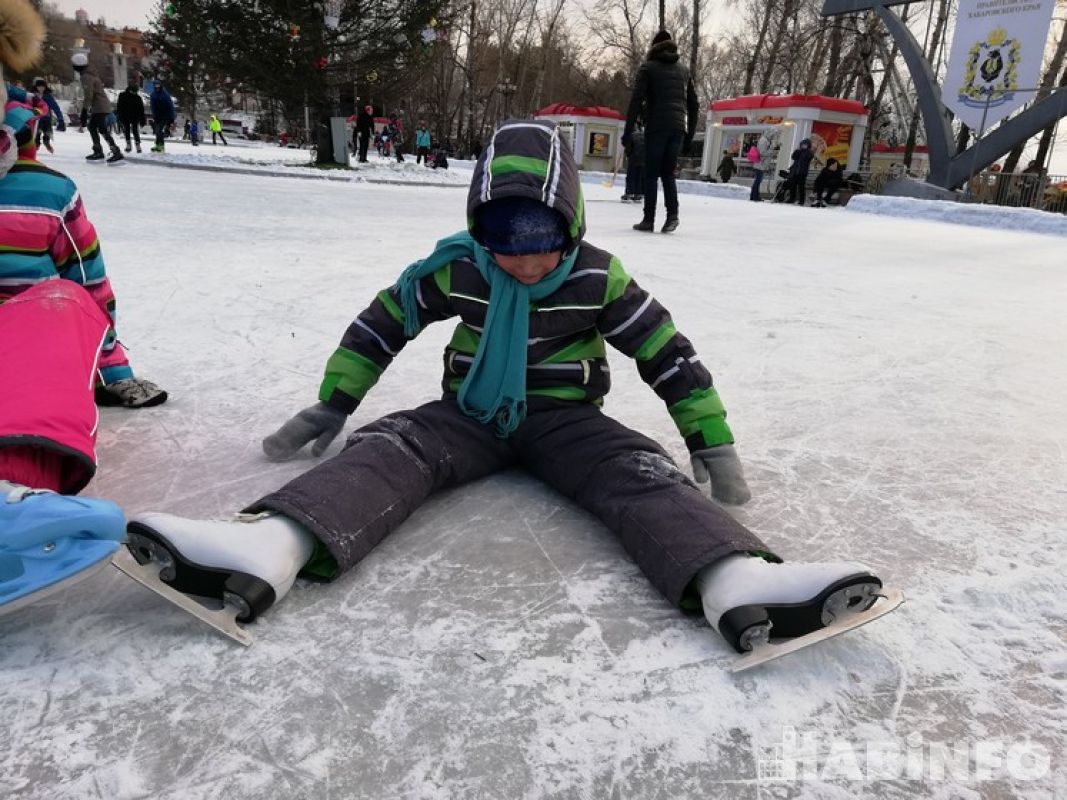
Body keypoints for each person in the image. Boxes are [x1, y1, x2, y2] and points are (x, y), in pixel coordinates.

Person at [124, 119, 884, 656]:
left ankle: (731, 577)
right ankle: (272, 546)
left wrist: (709, 440)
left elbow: (666, 352)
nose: (522, 265)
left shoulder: (596, 276)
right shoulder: (457, 267)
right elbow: (382, 322)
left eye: (542, 245)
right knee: (392, 446)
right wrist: (335, 401)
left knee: (636, 470)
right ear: (479, 231)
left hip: (565, 418)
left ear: (571, 228)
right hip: (468, 414)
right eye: (503, 247)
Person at [0, 0, 167, 613]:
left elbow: (89, 294)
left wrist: (115, 374)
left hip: (23, 347)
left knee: (57, 301)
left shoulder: (45, 193)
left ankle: (11, 494)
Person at [622, 30, 699, 233]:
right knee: (668, 174)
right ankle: (672, 215)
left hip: (657, 127)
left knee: (651, 173)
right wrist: (689, 134)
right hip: (677, 128)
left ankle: (649, 219)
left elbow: (636, 102)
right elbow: (694, 104)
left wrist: (627, 132)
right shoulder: (684, 71)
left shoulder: (648, 68)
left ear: (654, 47)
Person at [71, 51, 123, 163]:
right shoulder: (91, 74)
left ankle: (109, 151)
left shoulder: (86, 76)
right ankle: (105, 150)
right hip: (101, 105)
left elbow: (89, 95)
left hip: (99, 106)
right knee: (98, 128)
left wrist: (84, 111)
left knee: (94, 127)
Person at [30, 76, 63, 153]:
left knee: (47, 131)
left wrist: (60, 118)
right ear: (36, 87)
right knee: (36, 133)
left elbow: (56, 107)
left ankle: (46, 142)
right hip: (36, 118)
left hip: (46, 118)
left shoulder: (48, 96)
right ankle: (35, 146)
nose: (41, 89)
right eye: (39, 87)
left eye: (43, 87)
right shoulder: (32, 96)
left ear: (45, 87)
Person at [116, 82, 145, 153]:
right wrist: (120, 116)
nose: (135, 93)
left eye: (136, 92)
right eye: (133, 92)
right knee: (127, 130)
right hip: (125, 116)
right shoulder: (122, 95)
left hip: (135, 117)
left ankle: (138, 145)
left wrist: (142, 119)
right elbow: (119, 107)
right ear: (130, 90)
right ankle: (128, 145)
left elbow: (141, 109)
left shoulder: (138, 98)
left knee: (135, 130)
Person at [785, 138, 816, 205]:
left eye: (805, 145)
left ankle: (801, 200)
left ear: (808, 145)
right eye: (802, 144)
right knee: (793, 185)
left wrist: (805, 150)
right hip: (795, 171)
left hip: (802, 172)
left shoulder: (809, 152)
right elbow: (793, 157)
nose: (803, 146)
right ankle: (791, 199)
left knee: (801, 186)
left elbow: (807, 158)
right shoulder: (799, 151)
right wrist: (798, 150)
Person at [149, 80, 176, 153]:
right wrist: (153, 115)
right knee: (157, 131)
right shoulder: (153, 94)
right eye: (155, 85)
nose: (157, 87)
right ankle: (159, 145)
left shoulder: (165, 94)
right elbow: (152, 106)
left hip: (164, 115)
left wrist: (171, 118)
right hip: (157, 116)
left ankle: (160, 146)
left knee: (159, 130)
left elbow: (170, 106)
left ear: (161, 85)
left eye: (158, 85)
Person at [748, 131, 775, 202]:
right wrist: (772, 151)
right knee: (758, 181)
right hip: (760, 164)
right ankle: (754, 196)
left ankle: (755, 196)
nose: (773, 137)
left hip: (761, 164)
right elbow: (762, 153)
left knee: (758, 181)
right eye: (772, 135)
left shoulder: (766, 140)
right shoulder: (763, 141)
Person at [622, 125, 645, 203]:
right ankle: (639, 194)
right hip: (643, 161)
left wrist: (627, 153)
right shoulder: (644, 135)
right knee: (639, 177)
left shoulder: (631, 136)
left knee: (631, 176)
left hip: (634, 159)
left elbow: (628, 150)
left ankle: (630, 193)